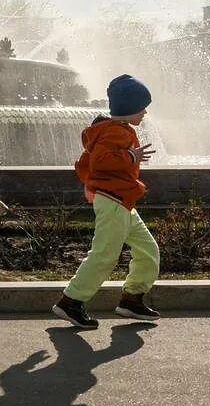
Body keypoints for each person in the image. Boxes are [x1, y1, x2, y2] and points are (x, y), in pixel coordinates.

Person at [52, 74, 161, 329]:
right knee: (104, 255)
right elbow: (101, 162)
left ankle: (131, 299)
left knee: (148, 250)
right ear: (129, 108)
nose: (145, 112)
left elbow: (84, 163)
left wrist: (92, 185)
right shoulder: (115, 132)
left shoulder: (113, 130)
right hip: (114, 201)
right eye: (142, 106)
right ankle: (71, 301)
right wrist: (130, 157)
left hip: (121, 201)